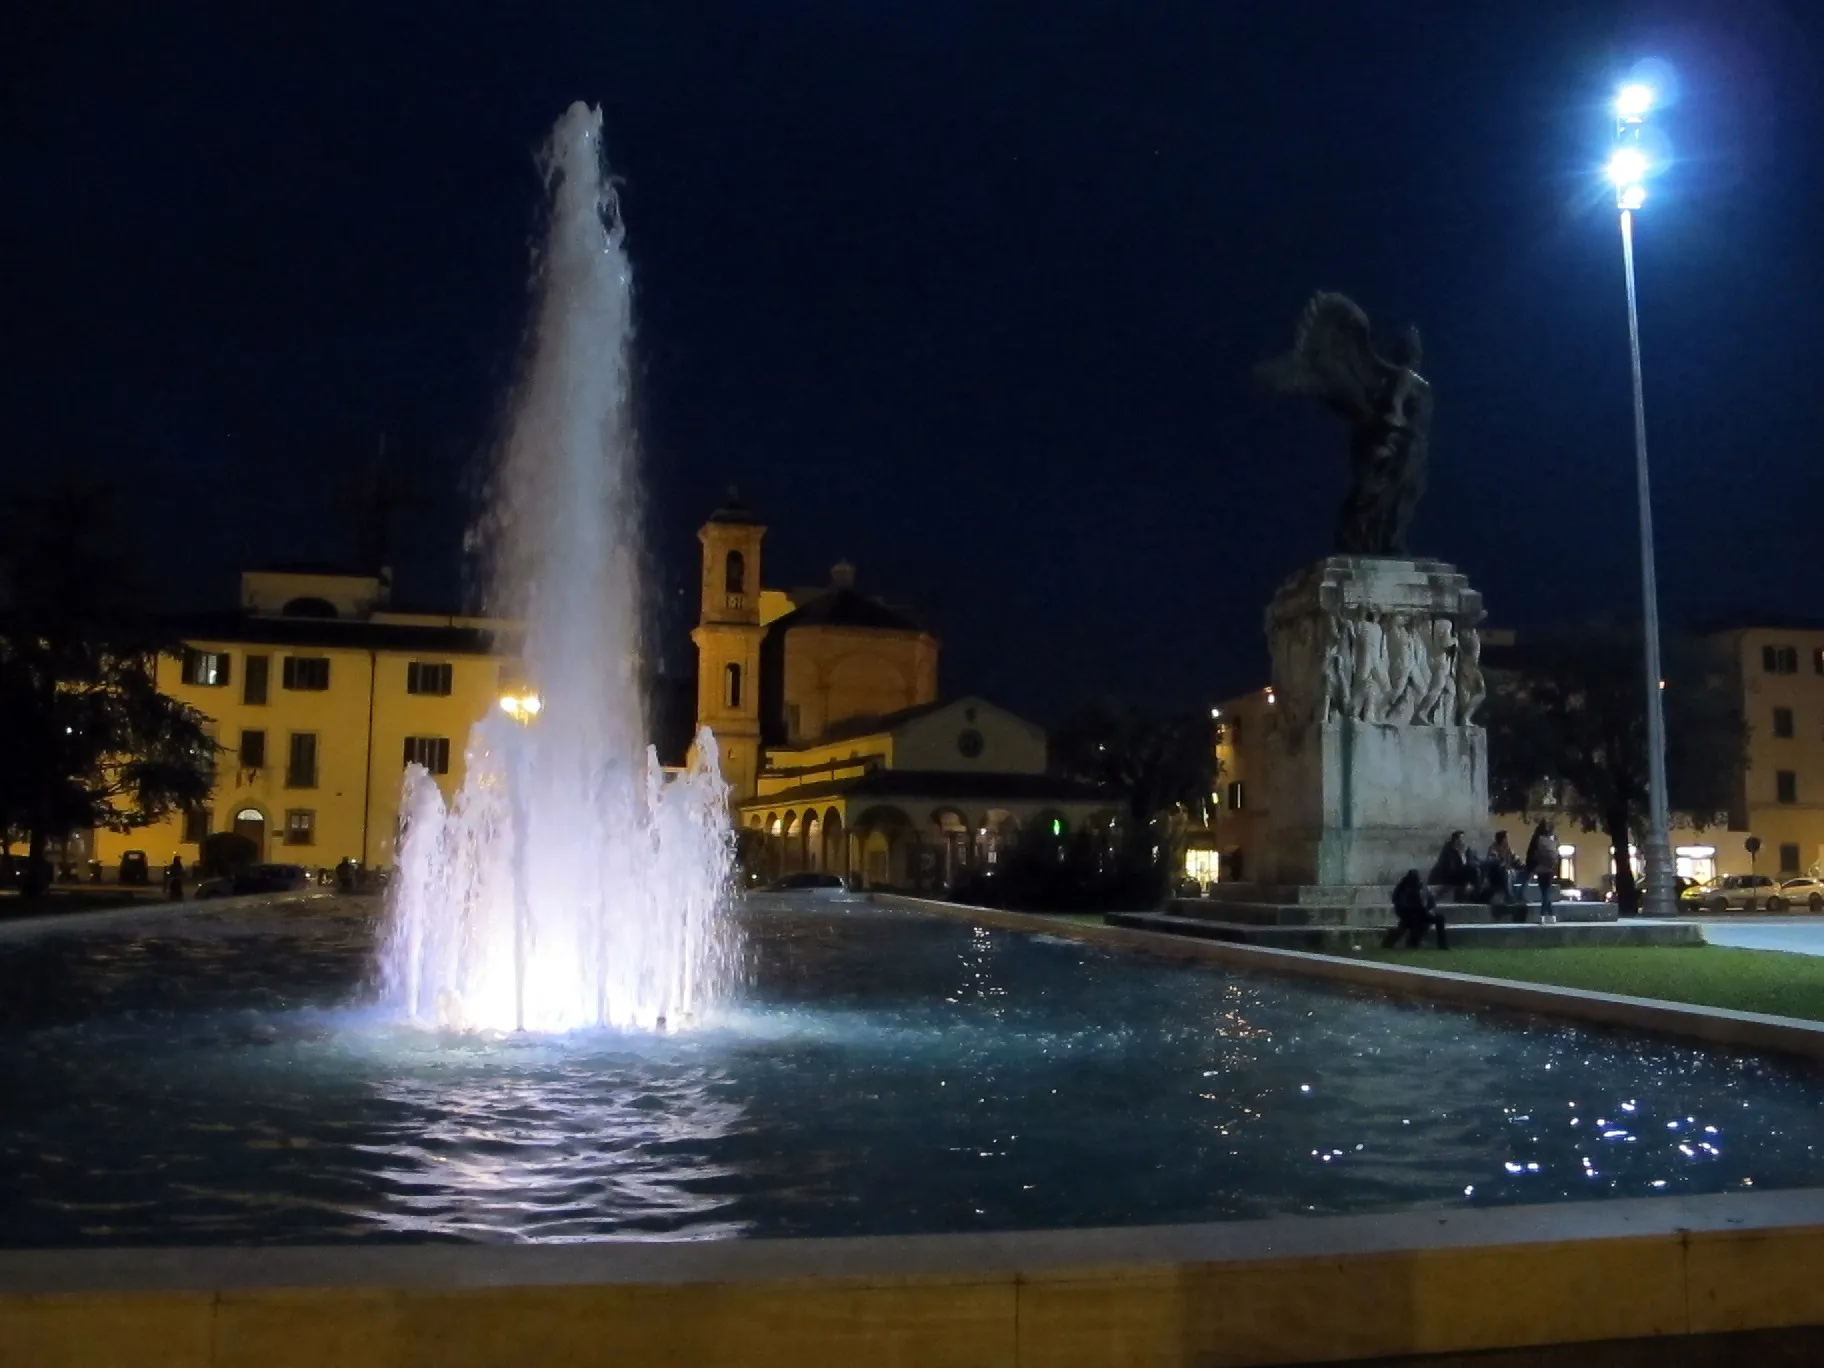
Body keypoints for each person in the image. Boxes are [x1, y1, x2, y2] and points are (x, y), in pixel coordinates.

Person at [1383, 869, 1448, 950]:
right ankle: (1391, 942)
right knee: (1405, 934)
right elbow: (1400, 904)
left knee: (1440, 919)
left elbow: (1430, 899)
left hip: (1422, 914)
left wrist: (1430, 909)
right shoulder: (1403, 889)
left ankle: (1442, 946)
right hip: (1409, 916)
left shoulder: (1421, 886)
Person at [1522, 821, 1557, 924]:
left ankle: (1542, 915)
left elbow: (1530, 854)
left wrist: (1530, 868)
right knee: (1546, 892)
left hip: (1540, 869)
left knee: (1544, 892)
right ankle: (1551, 916)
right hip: (1550, 869)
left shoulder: (1536, 838)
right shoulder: (1552, 838)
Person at [1428, 830, 1481, 897]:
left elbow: (1474, 862)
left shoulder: (1468, 850)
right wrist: (1461, 855)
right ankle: (1475, 894)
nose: (1464, 842)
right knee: (1472, 869)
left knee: (1476, 868)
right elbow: (1452, 868)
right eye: (1461, 839)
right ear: (1455, 841)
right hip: (1450, 877)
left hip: (1463, 876)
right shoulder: (1448, 851)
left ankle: (1477, 893)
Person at [1484, 830, 1518, 915]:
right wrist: (1502, 863)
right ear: (1502, 839)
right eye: (1506, 838)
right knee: (1507, 873)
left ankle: (1520, 894)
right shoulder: (1493, 848)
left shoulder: (1508, 848)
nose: (1508, 839)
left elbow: (1514, 859)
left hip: (1507, 871)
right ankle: (1509, 895)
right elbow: (1493, 862)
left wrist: (1521, 864)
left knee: (1519, 872)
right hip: (1496, 874)